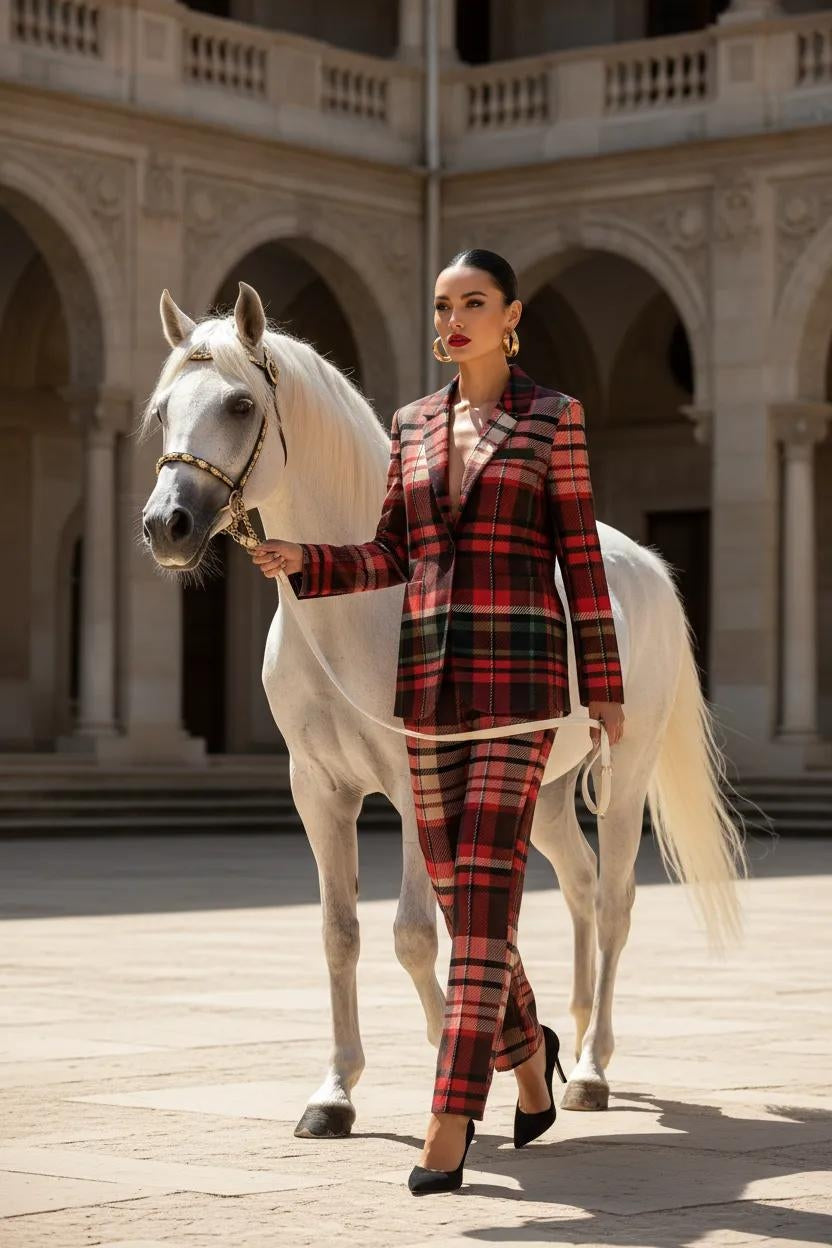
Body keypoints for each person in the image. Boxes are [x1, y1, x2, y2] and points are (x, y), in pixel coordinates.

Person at [251, 248, 625, 1195]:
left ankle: (450, 1115)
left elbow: (580, 554)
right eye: (443, 305)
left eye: (474, 304)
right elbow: (390, 552)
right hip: (424, 697)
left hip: (522, 689)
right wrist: (306, 559)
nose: (453, 319)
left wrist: (607, 684)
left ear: (512, 318)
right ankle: (531, 1059)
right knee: (463, 900)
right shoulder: (411, 425)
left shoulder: (554, 420)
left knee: (487, 897)